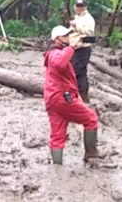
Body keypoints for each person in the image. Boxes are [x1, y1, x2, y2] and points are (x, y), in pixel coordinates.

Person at [44, 25, 105, 165]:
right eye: (65, 35)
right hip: (62, 98)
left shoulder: (53, 53)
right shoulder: (55, 54)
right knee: (91, 119)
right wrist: (71, 47)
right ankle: (91, 152)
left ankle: (57, 169)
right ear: (56, 39)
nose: (68, 37)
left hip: (52, 100)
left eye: (68, 35)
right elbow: (60, 63)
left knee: (57, 135)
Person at [69, 0, 95, 103]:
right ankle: (81, 97)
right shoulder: (76, 17)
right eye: (78, 6)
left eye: (81, 6)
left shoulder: (88, 19)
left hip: (82, 48)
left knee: (77, 72)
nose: (79, 8)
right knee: (80, 73)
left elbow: (90, 33)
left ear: (85, 7)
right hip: (74, 48)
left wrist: (77, 26)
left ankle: (80, 96)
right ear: (74, 7)